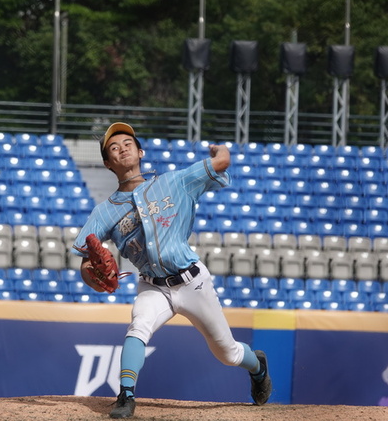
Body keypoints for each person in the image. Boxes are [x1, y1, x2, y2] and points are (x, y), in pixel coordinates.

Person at [71, 122, 272, 419]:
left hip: (192, 282)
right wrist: (91, 276)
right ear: (107, 163)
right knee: (138, 327)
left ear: (140, 152)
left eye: (128, 143)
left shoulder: (174, 182)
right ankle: (126, 395)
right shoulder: (104, 212)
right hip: (153, 286)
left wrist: (219, 149)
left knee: (227, 353)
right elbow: (86, 262)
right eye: (114, 147)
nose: (122, 148)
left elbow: (222, 162)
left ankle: (258, 367)